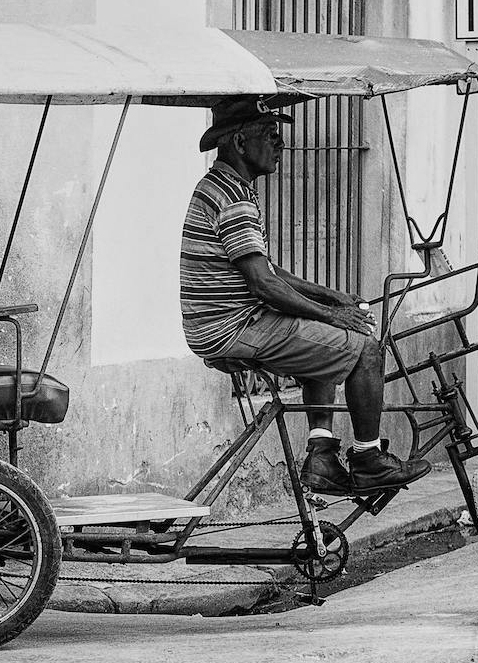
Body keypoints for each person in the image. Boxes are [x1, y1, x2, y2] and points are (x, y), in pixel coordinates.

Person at [180, 96, 430, 495]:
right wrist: (333, 316)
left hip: (226, 323)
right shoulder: (232, 198)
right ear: (242, 142)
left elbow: (268, 271)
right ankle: (367, 458)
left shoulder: (224, 186)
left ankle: (323, 456)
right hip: (232, 327)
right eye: (271, 135)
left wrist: (331, 298)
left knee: (321, 334)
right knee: (366, 348)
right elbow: (264, 284)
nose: (280, 144)